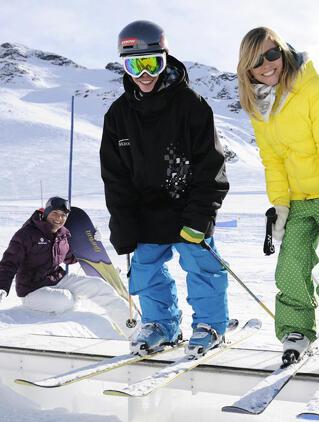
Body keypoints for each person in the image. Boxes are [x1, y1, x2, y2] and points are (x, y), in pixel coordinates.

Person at [236, 27, 319, 366]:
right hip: (299, 196)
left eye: (272, 55)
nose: (268, 65)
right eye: (257, 60)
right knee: (291, 266)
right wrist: (280, 205)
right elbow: (273, 160)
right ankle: (296, 330)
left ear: (282, 52)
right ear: (247, 68)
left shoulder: (311, 87)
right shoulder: (258, 105)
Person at [100, 20, 230, 357]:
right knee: (145, 269)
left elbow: (211, 165)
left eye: (151, 63)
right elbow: (115, 178)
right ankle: (161, 324)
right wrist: (123, 223)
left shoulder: (191, 105)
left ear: (165, 59)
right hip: (146, 212)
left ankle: (210, 325)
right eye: (134, 65)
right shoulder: (118, 115)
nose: (144, 74)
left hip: (188, 208)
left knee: (200, 265)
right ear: (124, 67)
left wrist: (201, 215)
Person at [0, 197, 133, 337]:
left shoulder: (62, 234)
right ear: (46, 213)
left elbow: (69, 258)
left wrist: (90, 243)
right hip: (32, 289)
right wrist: (1, 287)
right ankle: (69, 300)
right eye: (55, 213)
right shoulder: (27, 234)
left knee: (99, 286)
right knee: (66, 300)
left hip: (57, 279)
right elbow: (9, 262)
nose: (59, 218)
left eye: (63, 215)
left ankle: (133, 331)